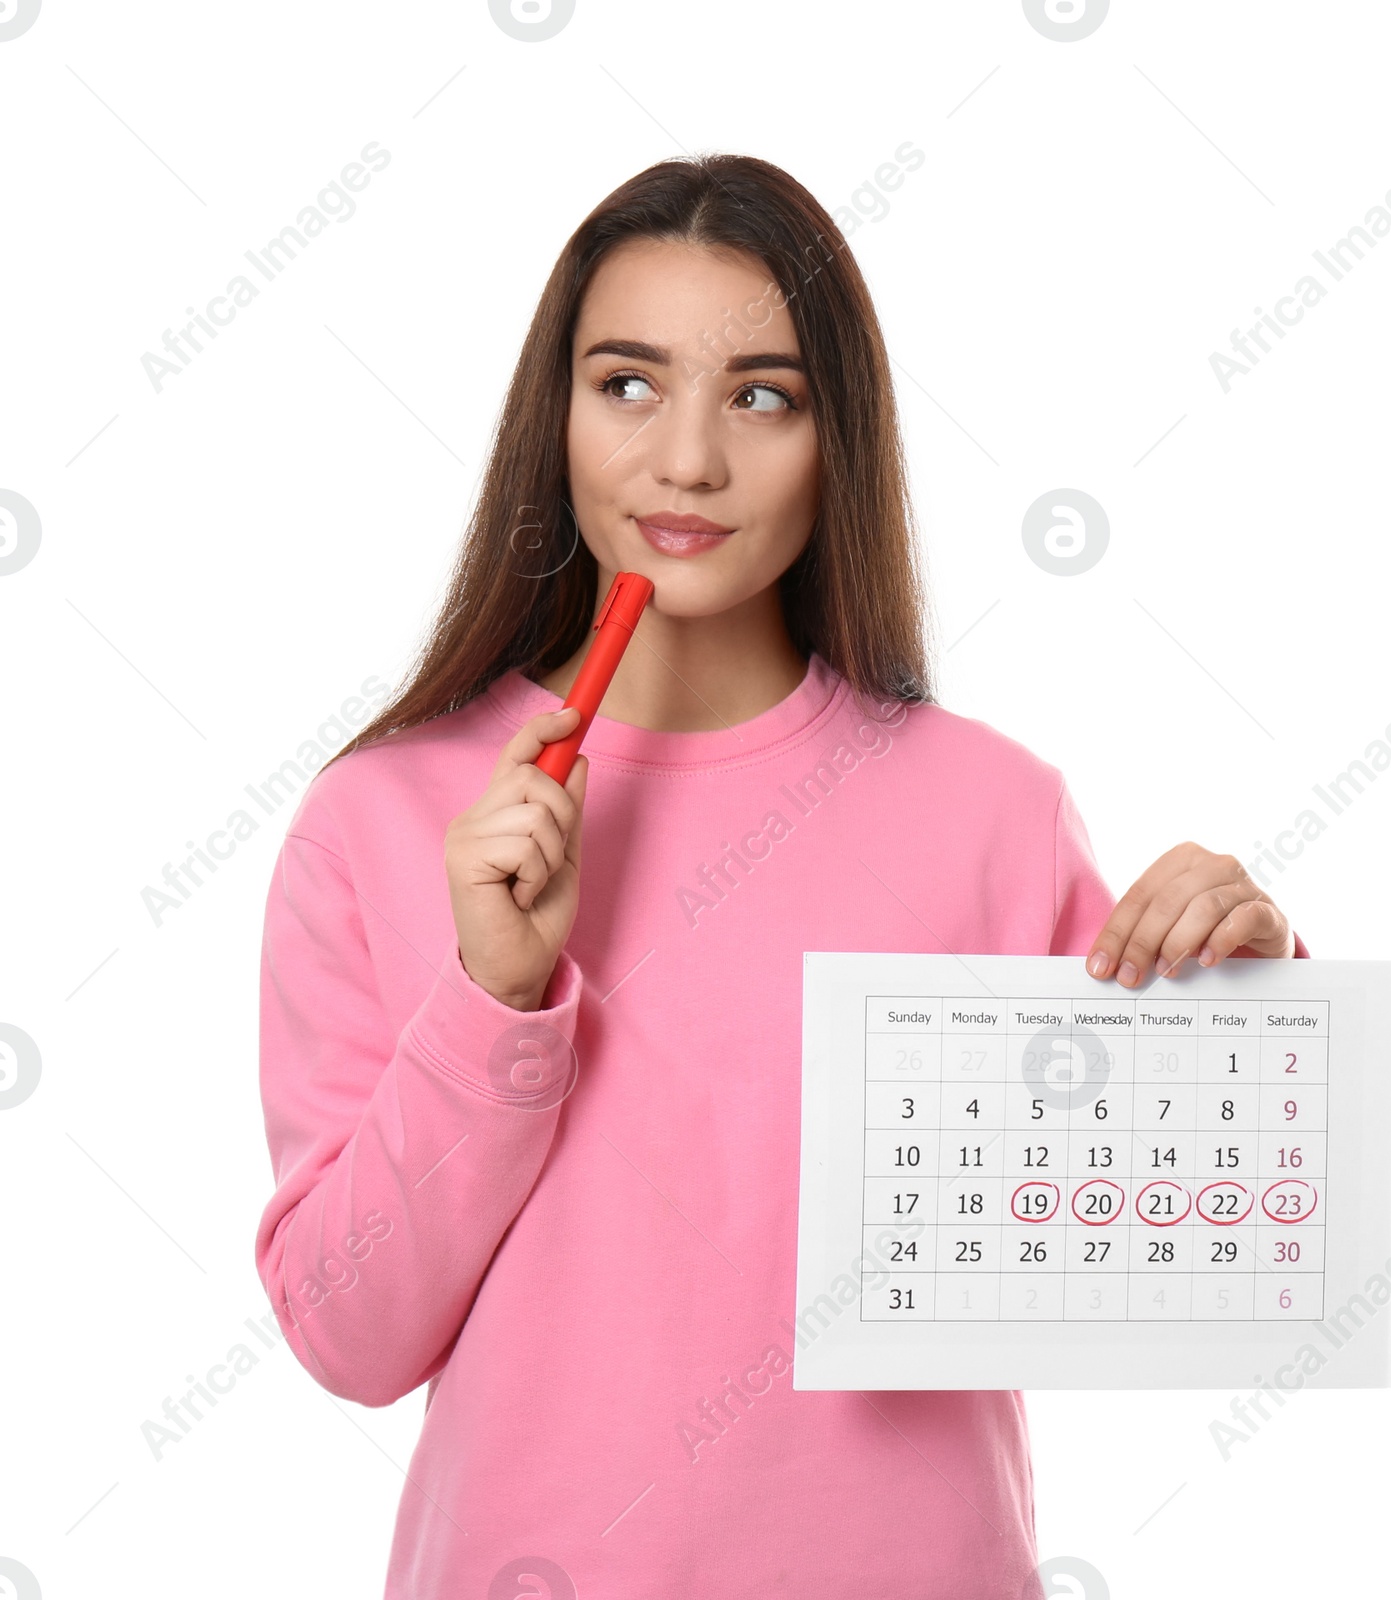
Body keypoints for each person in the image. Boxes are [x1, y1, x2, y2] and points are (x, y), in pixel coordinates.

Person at [253, 151, 1308, 1599]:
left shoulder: (990, 812)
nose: (685, 460)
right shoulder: (380, 818)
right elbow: (346, 1336)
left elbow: (1202, 1266)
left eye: (761, 395)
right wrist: (496, 1002)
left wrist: (1252, 1001)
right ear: (551, 419)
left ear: (838, 438)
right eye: (627, 384)